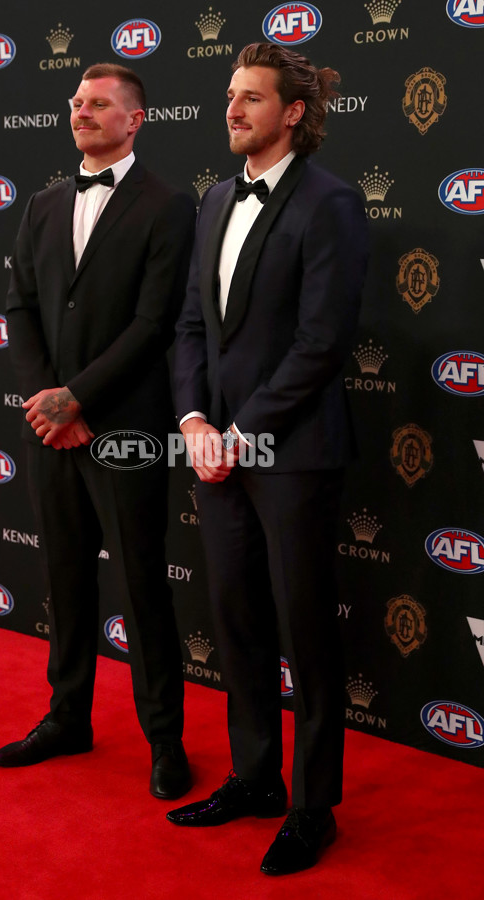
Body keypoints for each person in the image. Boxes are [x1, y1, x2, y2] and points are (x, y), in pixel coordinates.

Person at [167, 43, 369, 872]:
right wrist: (190, 420)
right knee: (239, 620)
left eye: (252, 97)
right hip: (215, 452)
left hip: (291, 453)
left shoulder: (332, 204)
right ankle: (255, 777)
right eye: (229, 95)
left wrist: (240, 431)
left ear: (293, 112)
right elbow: (189, 326)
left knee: (305, 630)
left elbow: (323, 343)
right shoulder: (214, 199)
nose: (233, 108)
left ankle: (314, 805)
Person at [0, 63, 196, 801]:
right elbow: (19, 309)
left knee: (143, 587)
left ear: (135, 119)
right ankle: (66, 717)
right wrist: (46, 404)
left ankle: (165, 741)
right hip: (51, 433)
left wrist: (75, 400)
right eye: (77, 102)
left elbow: (154, 323)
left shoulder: (169, 206)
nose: (82, 112)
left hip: (124, 429)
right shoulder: (43, 204)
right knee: (65, 580)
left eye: (100, 104)